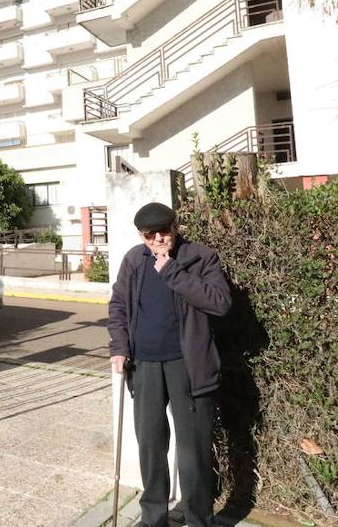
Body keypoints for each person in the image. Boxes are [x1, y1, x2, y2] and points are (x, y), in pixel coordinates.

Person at [107, 201, 232, 527]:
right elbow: (118, 305)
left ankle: (198, 520)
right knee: (150, 447)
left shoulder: (199, 257)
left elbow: (220, 303)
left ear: (175, 226)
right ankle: (153, 519)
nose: (159, 239)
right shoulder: (134, 260)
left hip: (188, 366)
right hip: (144, 367)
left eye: (165, 231)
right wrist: (119, 347)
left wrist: (173, 272)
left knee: (193, 451)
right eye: (151, 235)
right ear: (142, 235)